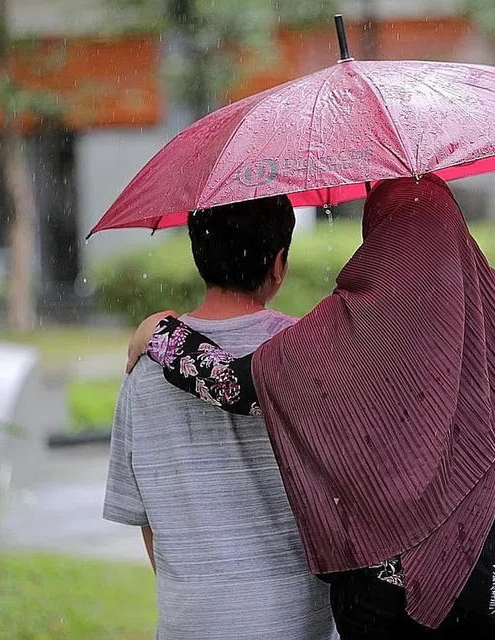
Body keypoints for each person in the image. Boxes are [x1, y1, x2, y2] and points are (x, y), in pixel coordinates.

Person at [128, 175, 495, 639]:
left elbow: (237, 384)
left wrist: (162, 335)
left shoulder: (353, 324)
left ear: (377, 239)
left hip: (388, 581)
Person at [102, 196, 335, 640]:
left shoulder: (146, 365)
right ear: (280, 263)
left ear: (198, 255)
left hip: (190, 616)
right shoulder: (307, 355)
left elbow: (145, 515)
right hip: (297, 616)